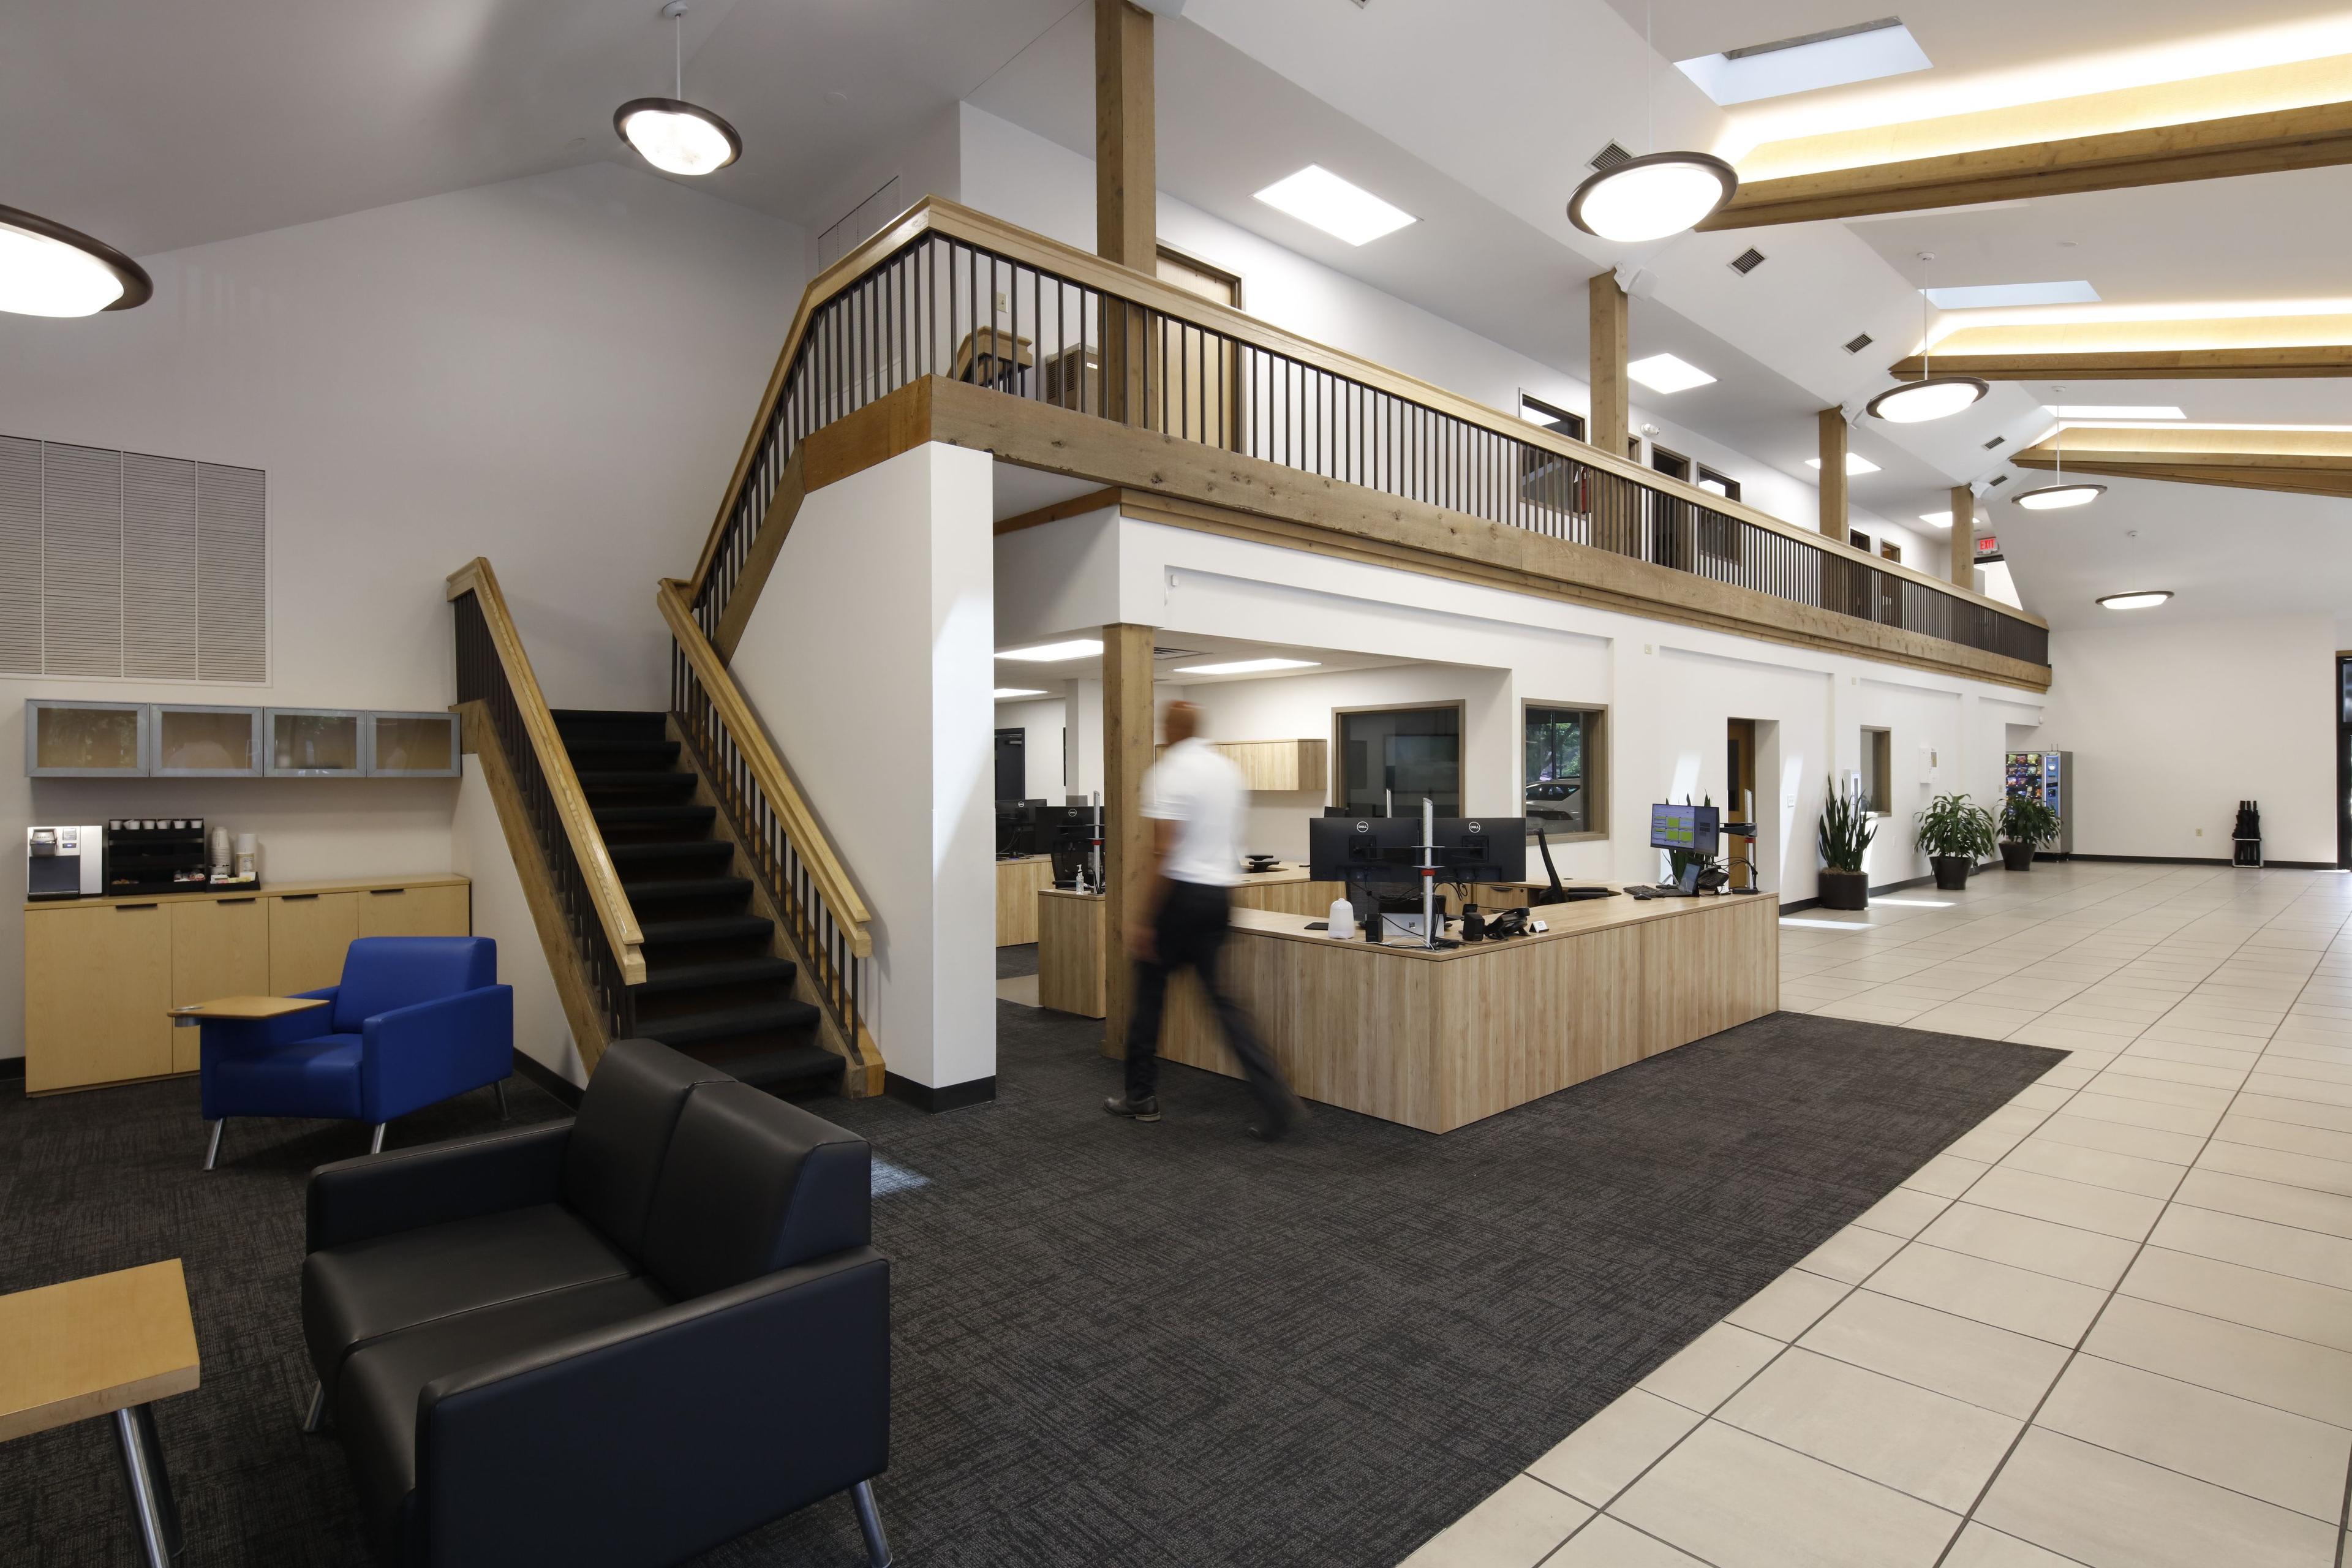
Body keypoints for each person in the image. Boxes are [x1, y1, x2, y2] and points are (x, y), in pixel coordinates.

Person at [1104, 700, 1300, 1139]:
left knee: (1149, 999)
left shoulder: (1168, 772)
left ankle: (1140, 1096)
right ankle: (1276, 1101)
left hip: (1180, 896)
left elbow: (1162, 850)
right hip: (1218, 898)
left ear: (1171, 728)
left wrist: (1144, 918)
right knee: (1225, 1005)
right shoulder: (1227, 771)